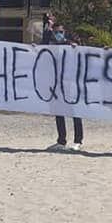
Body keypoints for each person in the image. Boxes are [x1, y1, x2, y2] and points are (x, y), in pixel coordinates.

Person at [43, 19, 84, 152]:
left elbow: (83, 53)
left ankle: (78, 141)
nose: (59, 34)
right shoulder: (49, 44)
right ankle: (61, 140)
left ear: (64, 32)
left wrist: (74, 46)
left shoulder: (70, 44)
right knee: (58, 112)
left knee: (75, 112)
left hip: (70, 83)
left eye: (61, 32)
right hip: (56, 83)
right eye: (56, 32)